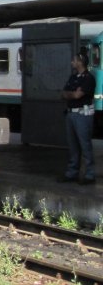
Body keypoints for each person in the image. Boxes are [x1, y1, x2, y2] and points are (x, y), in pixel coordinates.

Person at [59, 50, 95, 184]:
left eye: (74, 60)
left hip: (83, 115)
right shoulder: (73, 77)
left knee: (85, 145)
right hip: (71, 113)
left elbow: (77, 96)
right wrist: (71, 94)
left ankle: (89, 174)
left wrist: (71, 94)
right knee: (73, 145)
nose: (72, 62)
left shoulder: (88, 78)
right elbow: (63, 93)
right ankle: (72, 173)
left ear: (80, 62)